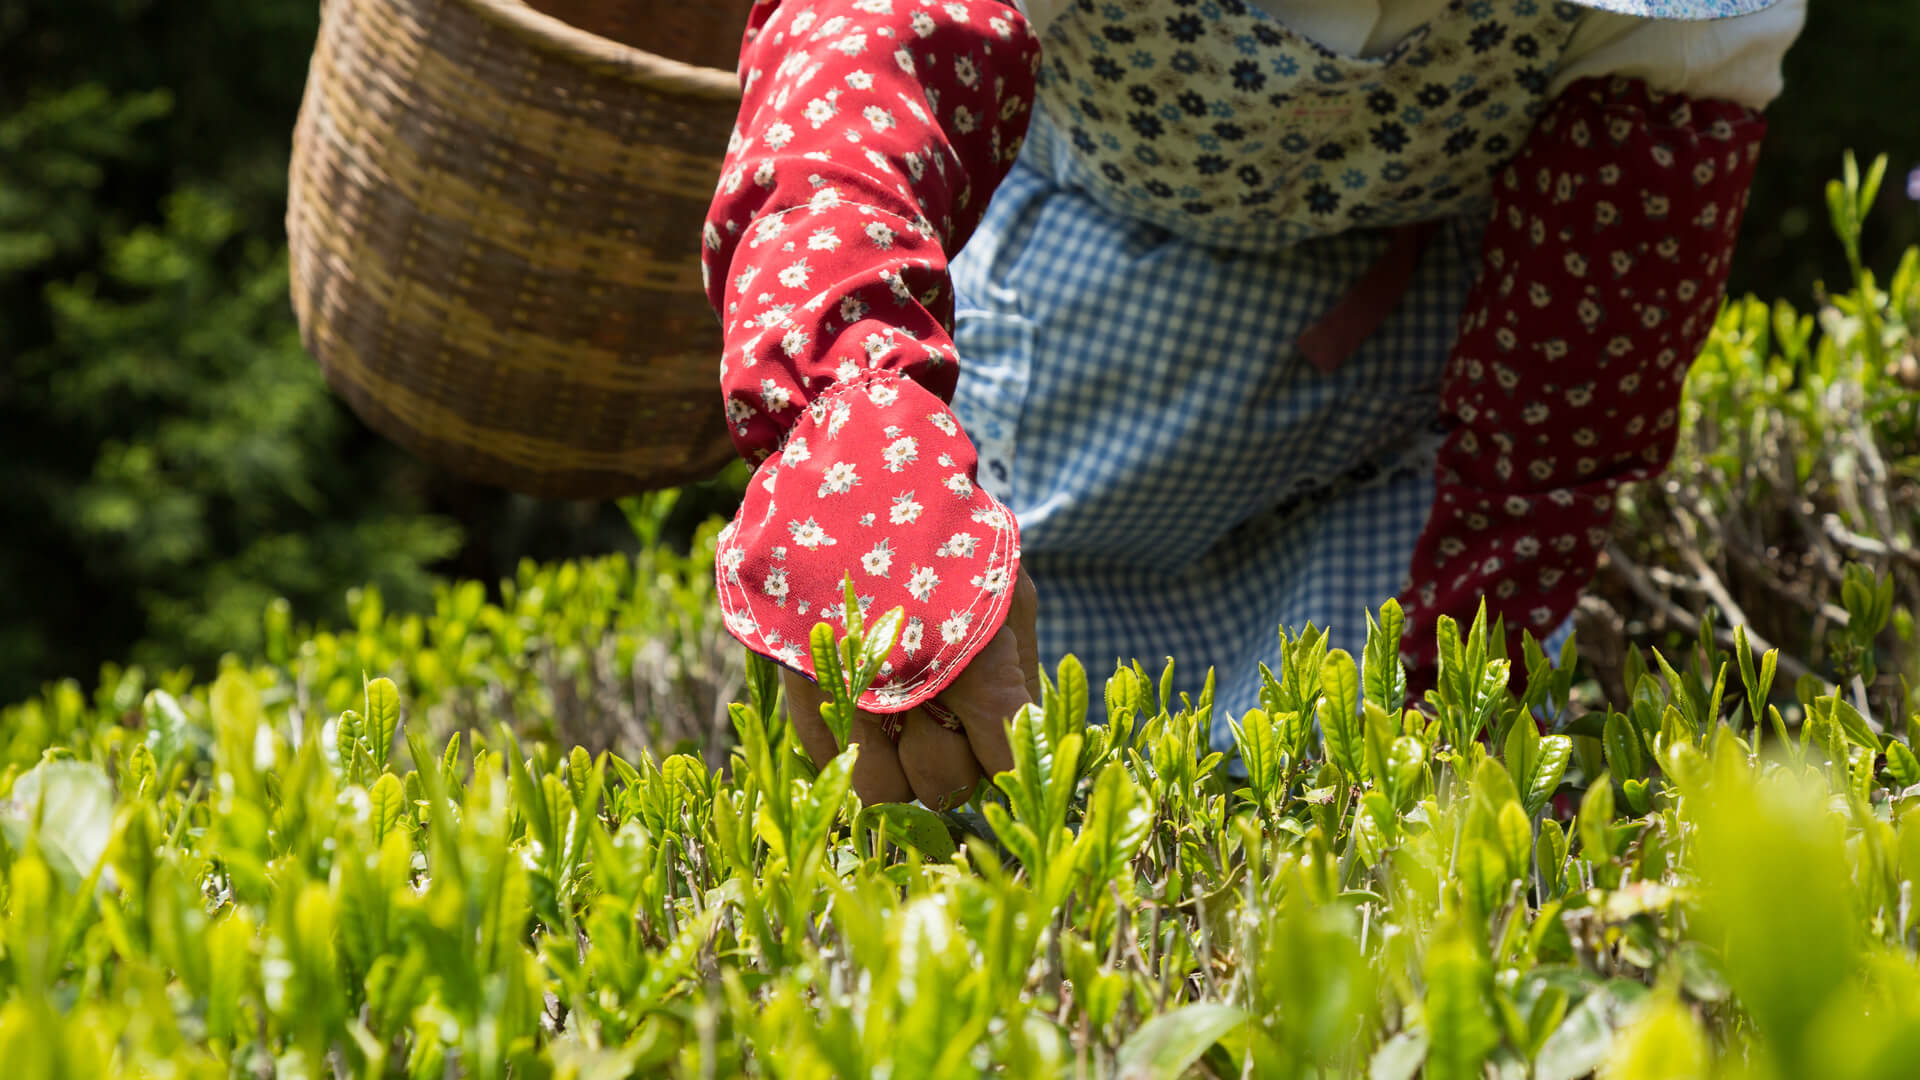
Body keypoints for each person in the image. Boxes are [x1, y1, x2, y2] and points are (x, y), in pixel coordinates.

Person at [699, 0, 1808, 808]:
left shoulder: (1674, 33)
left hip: (1402, 410)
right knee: (1024, 807)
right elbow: (856, 99)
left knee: (1357, 841)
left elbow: (1582, 347)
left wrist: (1466, 659)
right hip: (1083, 350)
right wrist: (865, 431)